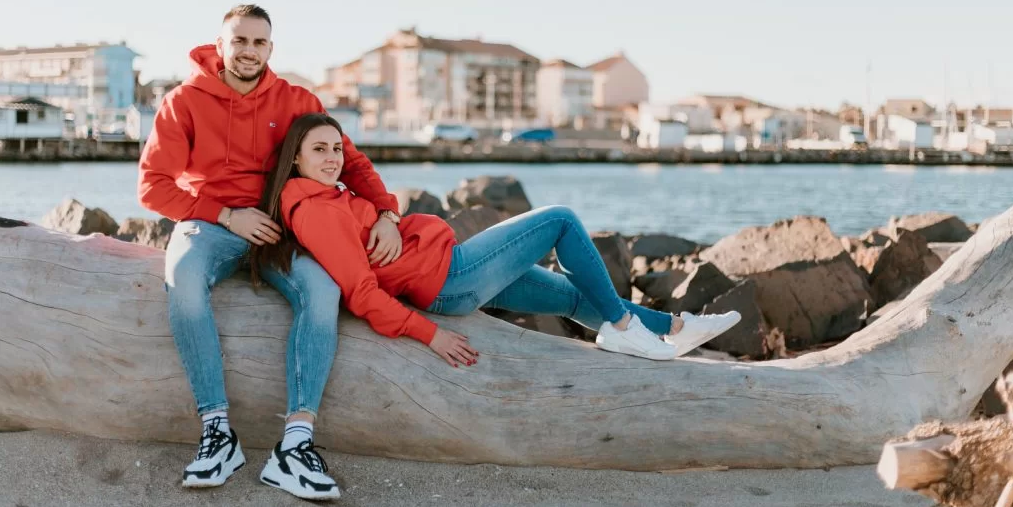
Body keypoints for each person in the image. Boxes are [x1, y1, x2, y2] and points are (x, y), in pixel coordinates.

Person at [138, 4, 404, 501]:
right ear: (220, 45)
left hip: (283, 227)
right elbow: (152, 187)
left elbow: (352, 161)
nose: (248, 51)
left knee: (323, 289)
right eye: (239, 41)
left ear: (270, 49)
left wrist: (387, 212)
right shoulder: (184, 101)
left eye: (259, 43)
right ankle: (217, 431)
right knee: (184, 282)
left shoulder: (296, 100)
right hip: (210, 223)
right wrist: (224, 215)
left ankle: (296, 445)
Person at [253, 113, 741, 370]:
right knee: (561, 220)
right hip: (451, 277)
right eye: (320, 150)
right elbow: (361, 294)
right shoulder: (314, 210)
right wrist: (432, 335)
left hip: (448, 271)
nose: (334, 158)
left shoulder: (326, 195)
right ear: (294, 159)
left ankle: (673, 328)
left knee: (571, 296)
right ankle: (620, 323)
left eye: (337, 148)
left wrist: (384, 213)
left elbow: (370, 215)